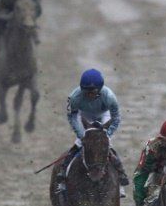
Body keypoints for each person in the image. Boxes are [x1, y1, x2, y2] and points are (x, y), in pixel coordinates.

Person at [55, 68, 129, 196]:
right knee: (78, 143)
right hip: (84, 115)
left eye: (93, 92)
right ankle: (62, 175)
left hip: (104, 115)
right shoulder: (74, 97)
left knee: (107, 145)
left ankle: (121, 179)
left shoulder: (109, 97)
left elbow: (116, 118)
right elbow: (72, 117)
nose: (89, 95)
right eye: (86, 92)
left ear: (99, 89)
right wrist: (82, 135)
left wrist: (106, 135)